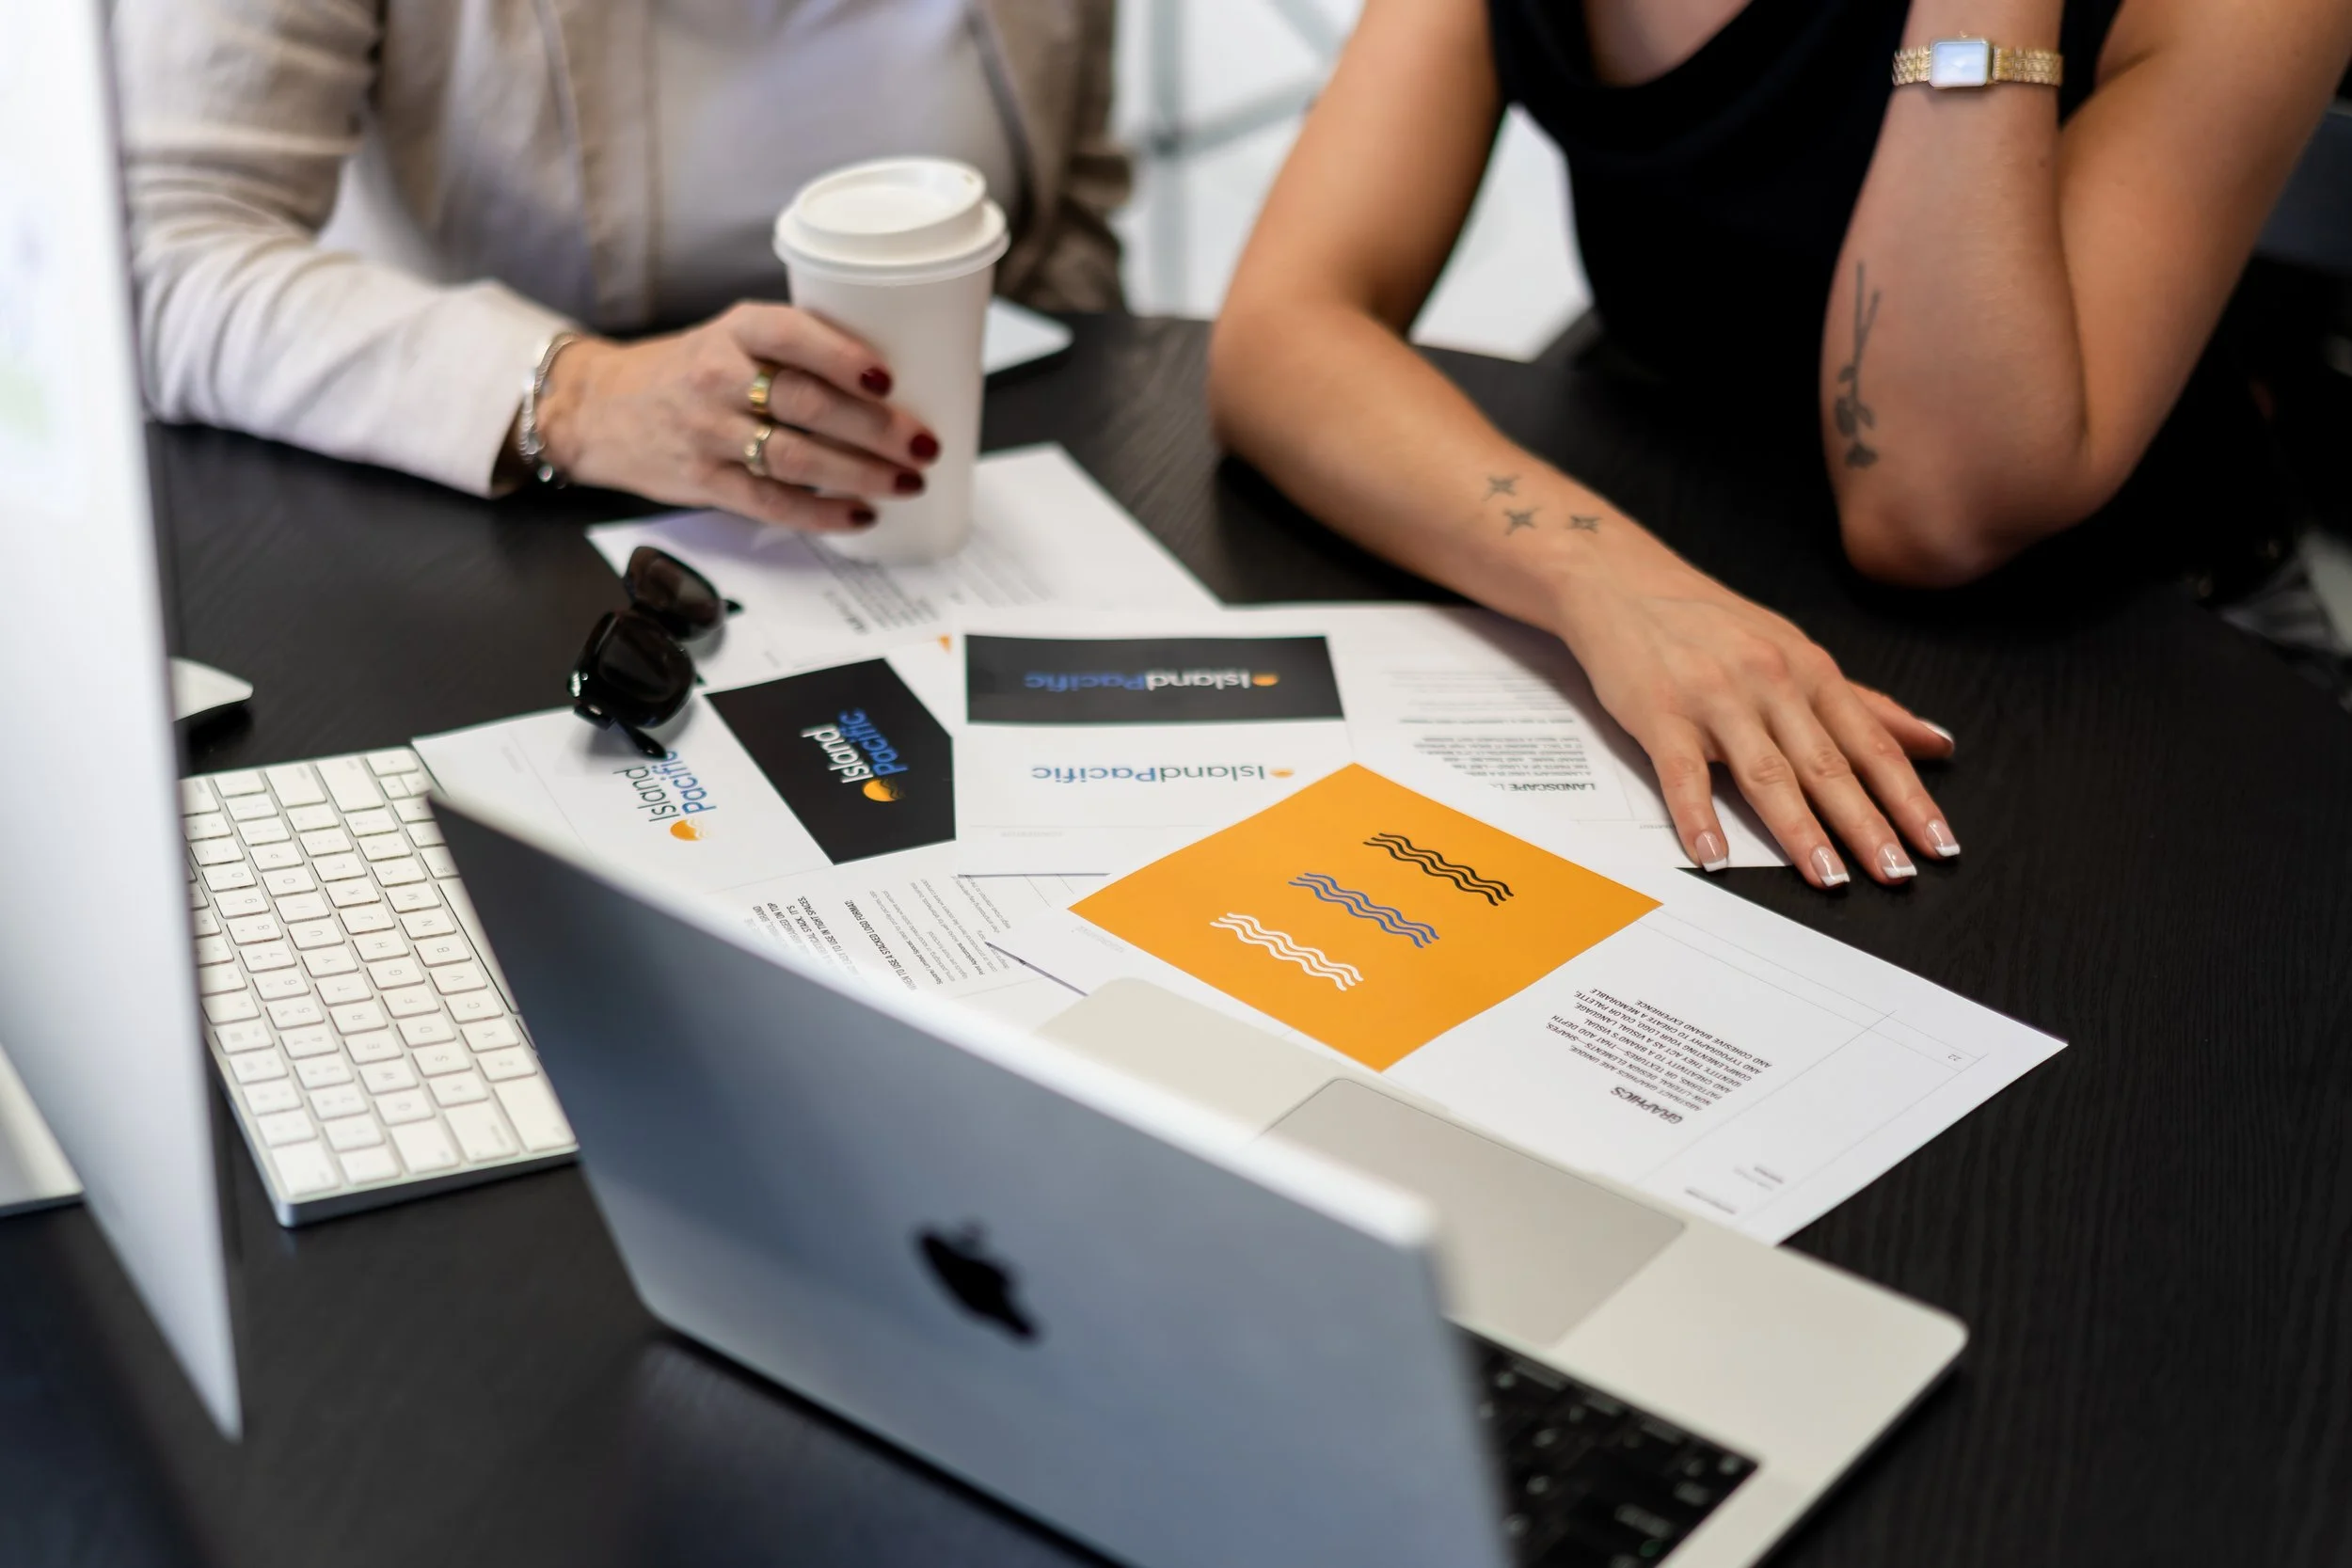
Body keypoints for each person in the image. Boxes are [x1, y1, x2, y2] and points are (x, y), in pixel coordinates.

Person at [1209, 0, 2352, 888]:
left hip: (2136, 673)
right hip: (1696, 586)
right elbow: (1282, 329)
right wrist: (1609, 584)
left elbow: (1933, 507)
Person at [115, 0, 1125, 532]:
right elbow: (158, 254)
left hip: (957, 507)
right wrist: (579, 396)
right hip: (500, 516)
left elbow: (1071, 211)